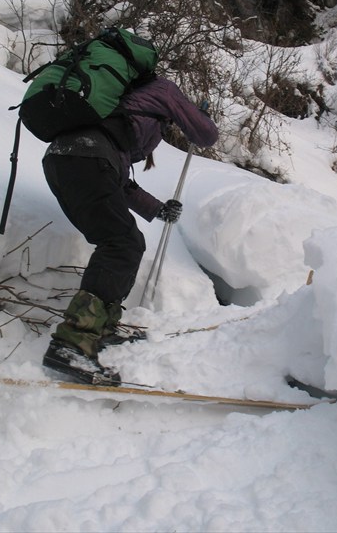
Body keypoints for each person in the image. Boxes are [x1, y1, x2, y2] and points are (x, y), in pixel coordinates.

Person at [42, 75, 219, 383]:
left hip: (65, 160)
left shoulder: (114, 113)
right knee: (121, 243)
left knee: (127, 241)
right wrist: (200, 118)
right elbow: (205, 135)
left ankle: (100, 329)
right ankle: (72, 343)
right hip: (86, 159)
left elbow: (119, 180)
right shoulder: (162, 90)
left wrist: (158, 209)